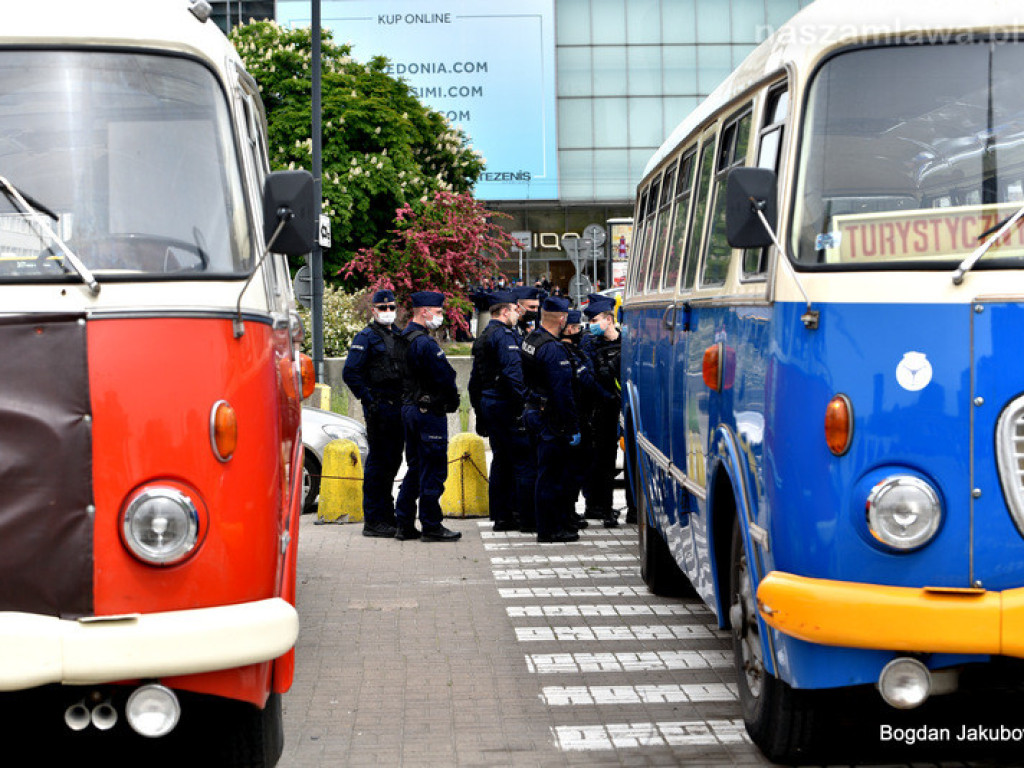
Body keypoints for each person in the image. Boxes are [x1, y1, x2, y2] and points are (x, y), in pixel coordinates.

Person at [394, 290, 462, 542]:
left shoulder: (403, 337)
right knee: (432, 469)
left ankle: (403, 523)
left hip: (410, 408)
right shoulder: (424, 342)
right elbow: (445, 376)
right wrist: (452, 401)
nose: (440, 316)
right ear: (424, 311)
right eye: (439, 311)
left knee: (416, 467)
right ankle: (431, 525)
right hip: (427, 411)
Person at [468, 290, 534, 532]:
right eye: (515, 310)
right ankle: (524, 516)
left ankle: (501, 515)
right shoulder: (505, 337)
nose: (518, 314)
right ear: (504, 312)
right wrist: (523, 404)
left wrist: (479, 411)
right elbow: (513, 374)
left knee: (501, 461)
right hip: (507, 405)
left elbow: (475, 381)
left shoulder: (484, 337)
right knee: (522, 461)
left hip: (490, 403)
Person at [342, 289, 404, 538]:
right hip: (379, 408)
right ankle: (374, 519)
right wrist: (369, 400)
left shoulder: (398, 335)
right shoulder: (366, 337)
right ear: (373, 310)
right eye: (383, 308)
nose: (388, 312)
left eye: (391, 307)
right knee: (379, 465)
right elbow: (350, 373)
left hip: (397, 407)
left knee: (392, 463)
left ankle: (387, 516)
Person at [520, 295, 580, 543]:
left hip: (534, 411)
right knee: (551, 476)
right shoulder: (553, 349)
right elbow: (562, 393)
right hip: (550, 419)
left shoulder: (531, 340)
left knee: (542, 473)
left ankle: (548, 525)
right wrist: (572, 426)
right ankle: (550, 529)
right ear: (563, 319)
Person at [562, 309, 616, 532]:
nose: (587, 328)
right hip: (585, 412)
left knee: (596, 462)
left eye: (594, 321)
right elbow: (586, 381)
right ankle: (570, 513)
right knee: (576, 467)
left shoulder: (575, 347)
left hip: (595, 412)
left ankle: (589, 509)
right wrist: (608, 397)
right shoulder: (575, 348)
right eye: (583, 324)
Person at [583, 297, 622, 528]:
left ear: (609, 320)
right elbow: (591, 377)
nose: (591, 325)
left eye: (595, 320)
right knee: (599, 460)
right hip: (600, 409)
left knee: (611, 460)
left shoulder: (626, 341)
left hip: (621, 408)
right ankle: (597, 506)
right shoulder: (590, 344)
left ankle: (611, 507)